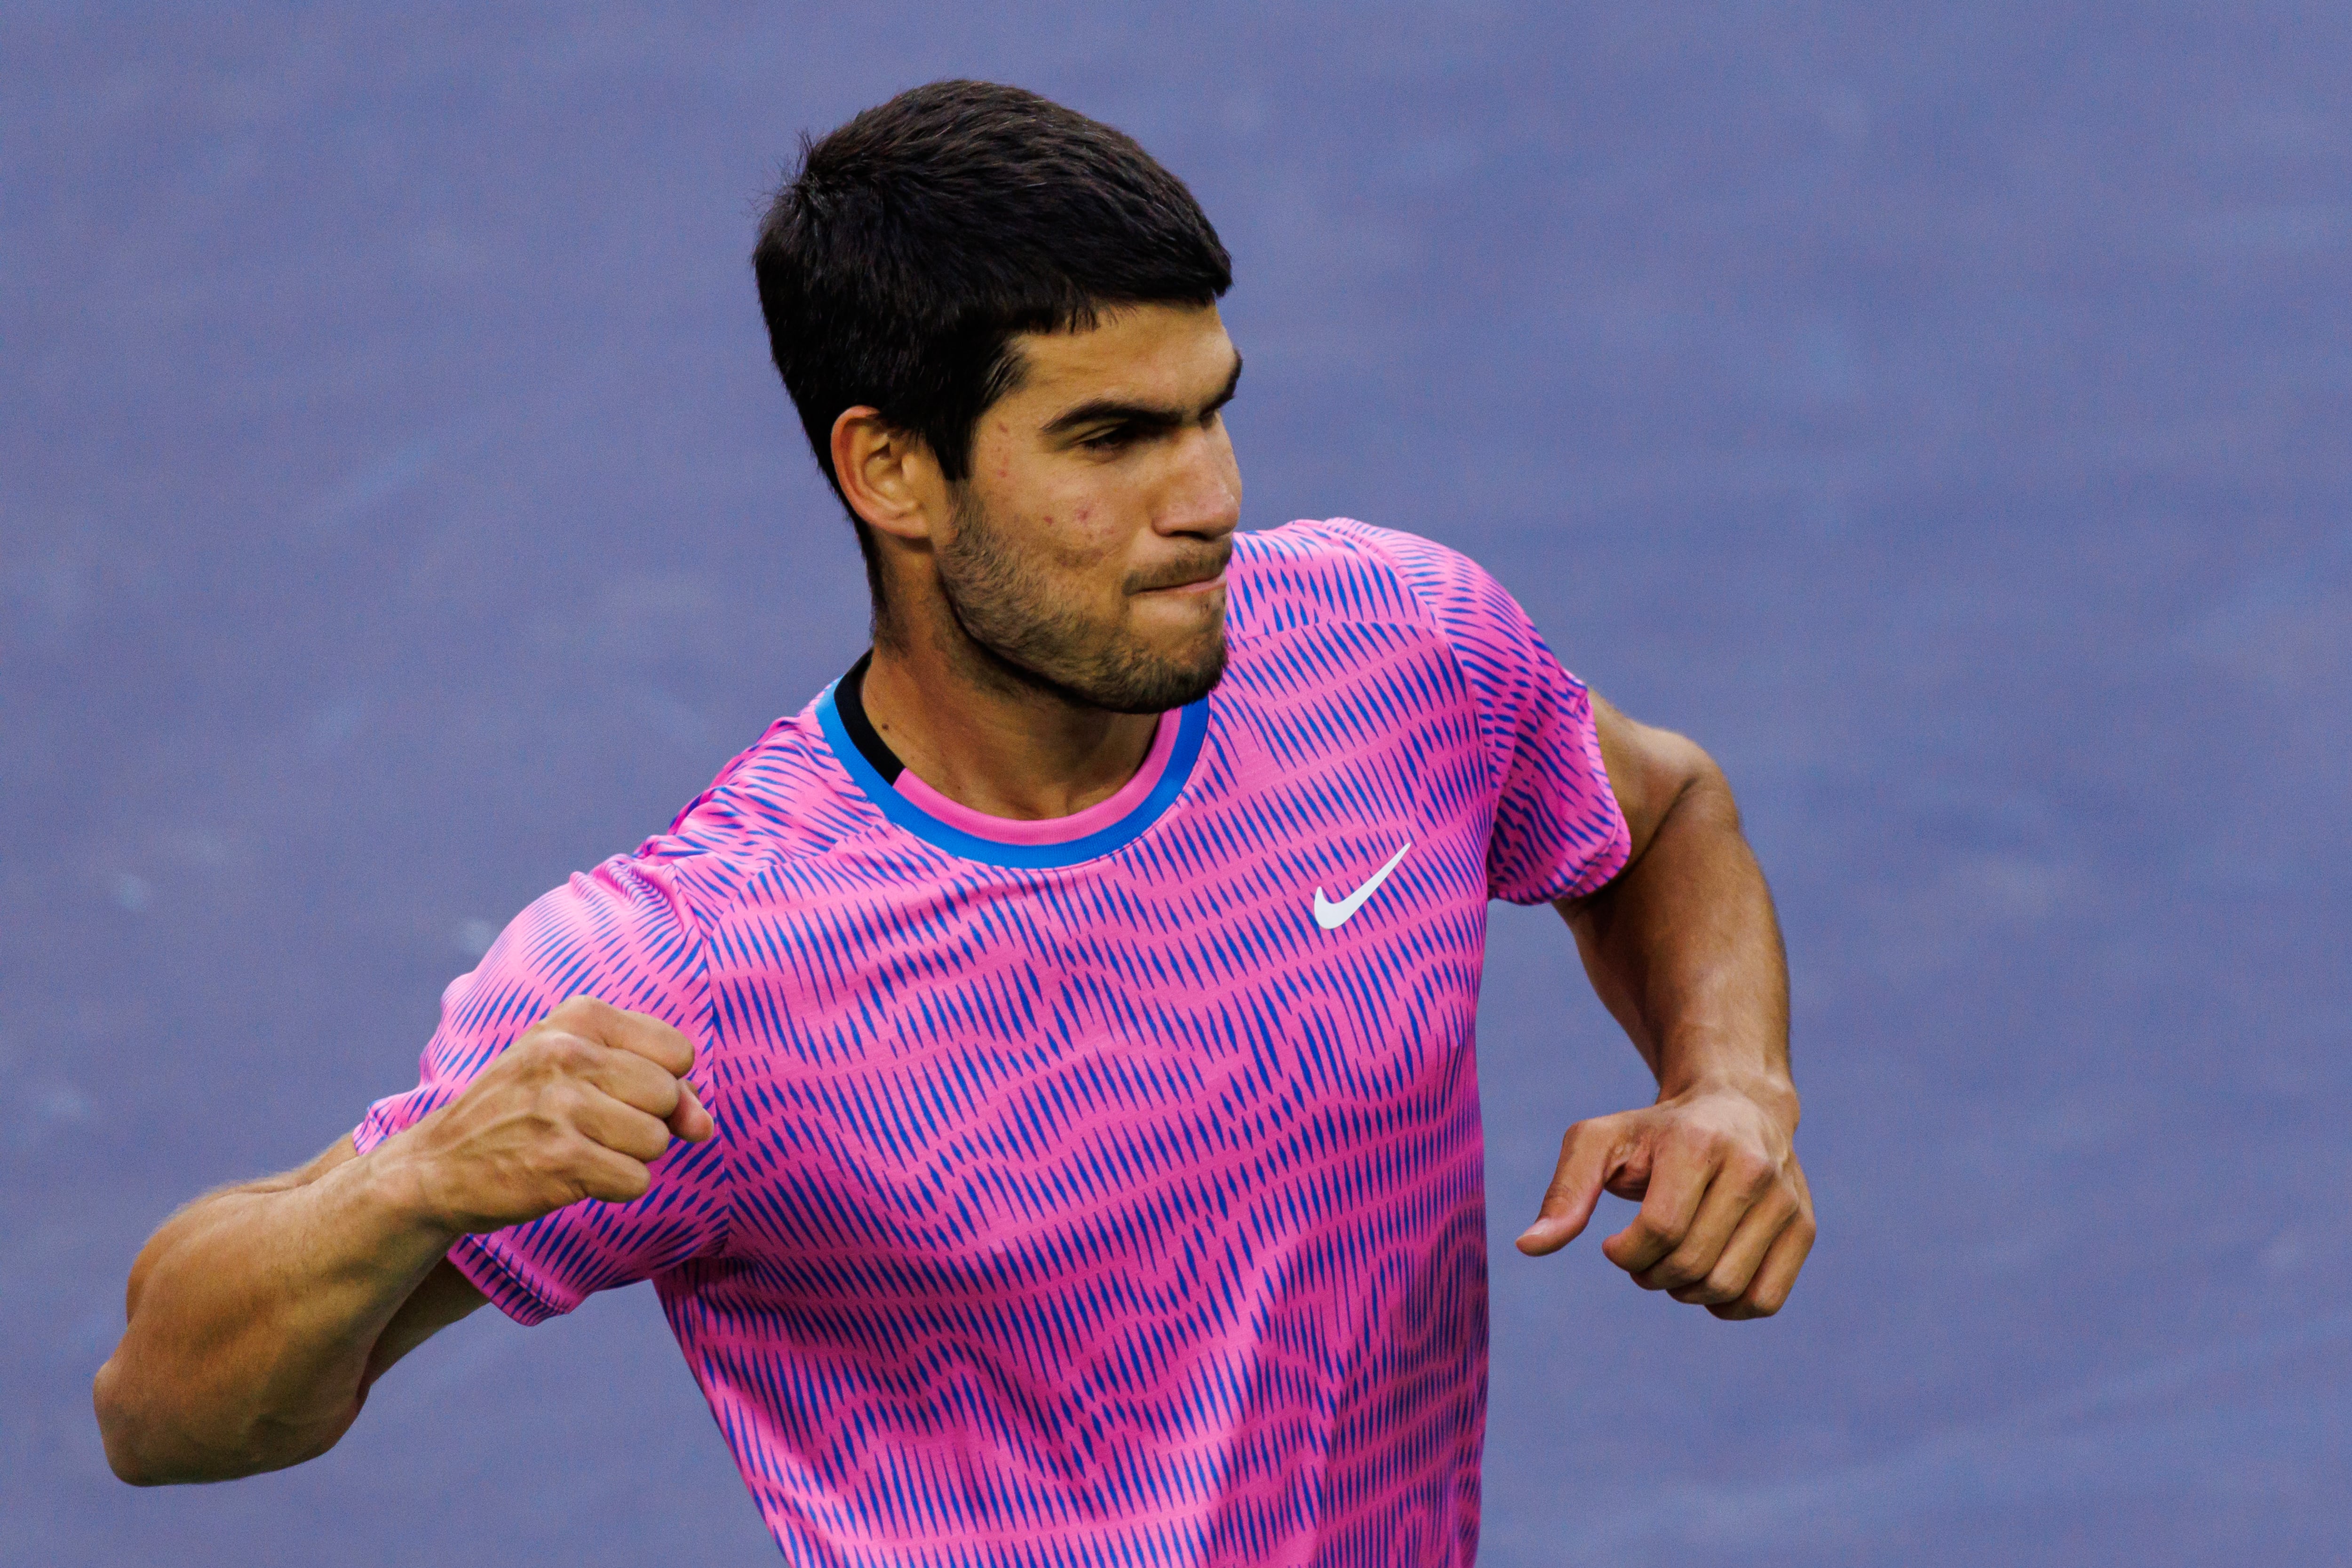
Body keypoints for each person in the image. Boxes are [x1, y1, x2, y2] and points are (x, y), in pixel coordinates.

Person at [93, 80, 1812, 1564]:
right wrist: (412, 1187)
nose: (1210, 497)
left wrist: (1727, 1081)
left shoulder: (1397, 650)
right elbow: (166, 1408)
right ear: (892, 470)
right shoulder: (697, 966)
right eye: (1113, 438)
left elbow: (1661, 817)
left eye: (1213, 407)